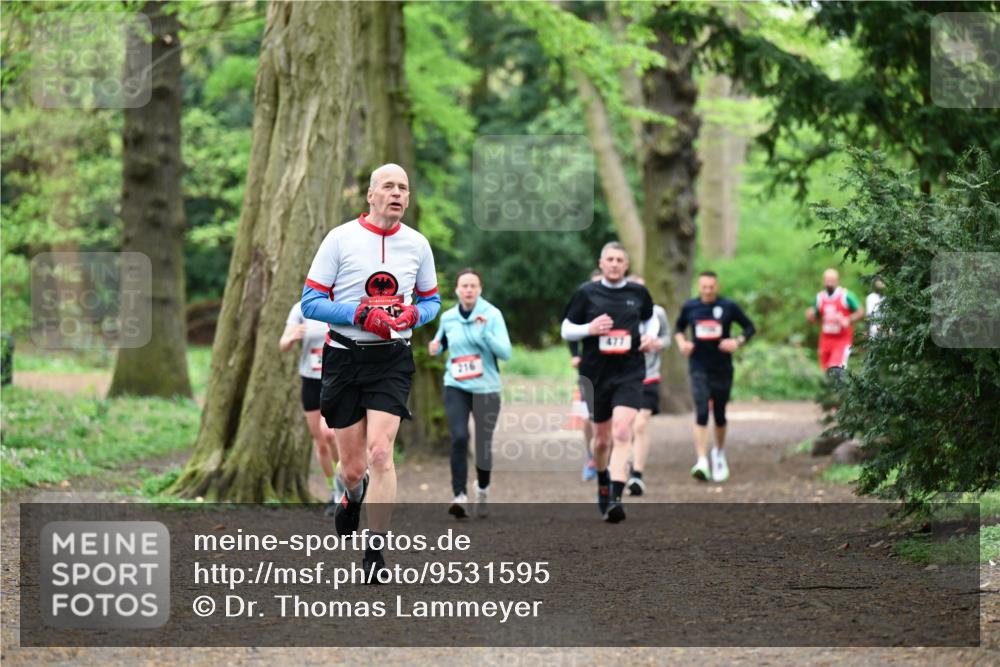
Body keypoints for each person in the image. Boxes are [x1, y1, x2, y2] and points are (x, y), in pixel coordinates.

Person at [301, 163, 440, 581]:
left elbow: (433, 301)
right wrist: (360, 313)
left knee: (382, 453)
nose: (397, 193)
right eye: (389, 186)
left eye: (404, 188)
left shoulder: (417, 244)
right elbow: (310, 302)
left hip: (391, 360)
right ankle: (351, 495)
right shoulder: (340, 239)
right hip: (343, 358)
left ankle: (375, 551)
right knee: (353, 467)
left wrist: (414, 313)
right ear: (371, 194)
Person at [561, 242, 659, 522]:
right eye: (609, 259)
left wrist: (650, 337)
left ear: (626, 265)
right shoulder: (586, 293)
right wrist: (589, 329)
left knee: (622, 431)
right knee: (602, 441)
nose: (614, 264)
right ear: (601, 263)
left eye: (619, 260)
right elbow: (566, 329)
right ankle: (603, 478)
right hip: (596, 374)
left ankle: (616, 498)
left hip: (629, 371)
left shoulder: (638, 293)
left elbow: (651, 319)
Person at [429, 269, 512, 520]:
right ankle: (459, 496)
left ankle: (483, 489)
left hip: (487, 388)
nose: (468, 290)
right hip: (456, 385)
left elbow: (506, 352)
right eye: (464, 286)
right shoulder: (448, 318)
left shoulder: (492, 315)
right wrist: (435, 347)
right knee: (459, 437)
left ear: (480, 289)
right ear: (456, 290)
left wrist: (485, 333)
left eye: (473, 286)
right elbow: (441, 343)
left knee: (483, 444)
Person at [674, 271, 755, 483]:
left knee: (719, 413)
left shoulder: (728, 306)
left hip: (722, 367)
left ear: (716, 287)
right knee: (701, 411)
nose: (708, 291)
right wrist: (683, 344)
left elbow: (749, 327)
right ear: (698, 287)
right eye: (704, 287)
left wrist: (737, 341)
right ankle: (701, 460)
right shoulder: (690, 307)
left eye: (711, 287)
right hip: (698, 366)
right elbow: (678, 328)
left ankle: (718, 454)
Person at [279, 302, 343, 514]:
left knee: (330, 435)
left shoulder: (341, 304)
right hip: (311, 380)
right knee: (321, 442)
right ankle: (333, 490)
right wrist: (291, 338)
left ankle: (345, 487)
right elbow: (283, 344)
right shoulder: (300, 308)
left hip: (336, 381)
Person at [623, 276, 671, 496]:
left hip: (649, 375)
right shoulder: (619, 312)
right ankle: (622, 468)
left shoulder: (657, 313)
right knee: (625, 427)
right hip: (623, 377)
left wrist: (657, 343)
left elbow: (667, 337)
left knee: (641, 424)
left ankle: (637, 474)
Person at [570, 269, 603, 482]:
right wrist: (575, 354)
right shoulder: (584, 300)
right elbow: (569, 327)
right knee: (589, 417)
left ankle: (610, 457)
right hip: (588, 368)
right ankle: (592, 456)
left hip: (615, 368)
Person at [805, 268, 864, 371]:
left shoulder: (846, 296)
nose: (829, 283)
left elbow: (860, 311)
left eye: (832, 280)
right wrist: (810, 316)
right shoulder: (819, 298)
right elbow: (814, 319)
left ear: (837, 281)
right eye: (827, 280)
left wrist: (848, 319)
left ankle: (843, 386)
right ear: (823, 281)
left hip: (842, 340)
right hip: (825, 340)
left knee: (836, 370)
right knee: (825, 372)